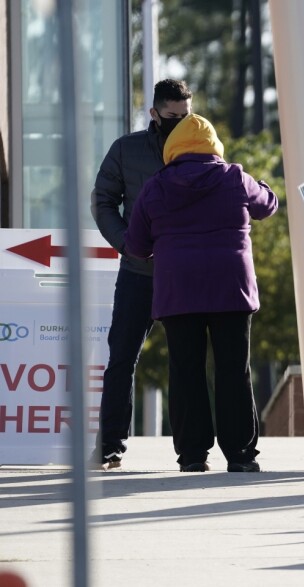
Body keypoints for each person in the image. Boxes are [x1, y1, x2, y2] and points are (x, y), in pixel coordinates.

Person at [124, 113, 278, 472]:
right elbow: (266, 206)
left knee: (185, 370)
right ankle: (240, 454)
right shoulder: (235, 177)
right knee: (233, 369)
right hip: (231, 289)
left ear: (174, 148)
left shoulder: (156, 186)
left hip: (179, 291)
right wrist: (266, 186)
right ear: (214, 147)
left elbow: (135, 245)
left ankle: (193, 455)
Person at [89, 79, 192, 470]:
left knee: (187, 362)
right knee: (122, 358)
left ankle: (192, 453)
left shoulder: (202, 146)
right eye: (172, 117)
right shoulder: (126, 149)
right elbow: (103, 201)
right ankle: (110, 447)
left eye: (186, 116)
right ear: (154, 113)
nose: (181, 123)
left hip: (185, 273)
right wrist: (127, 244)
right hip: (138, 271)